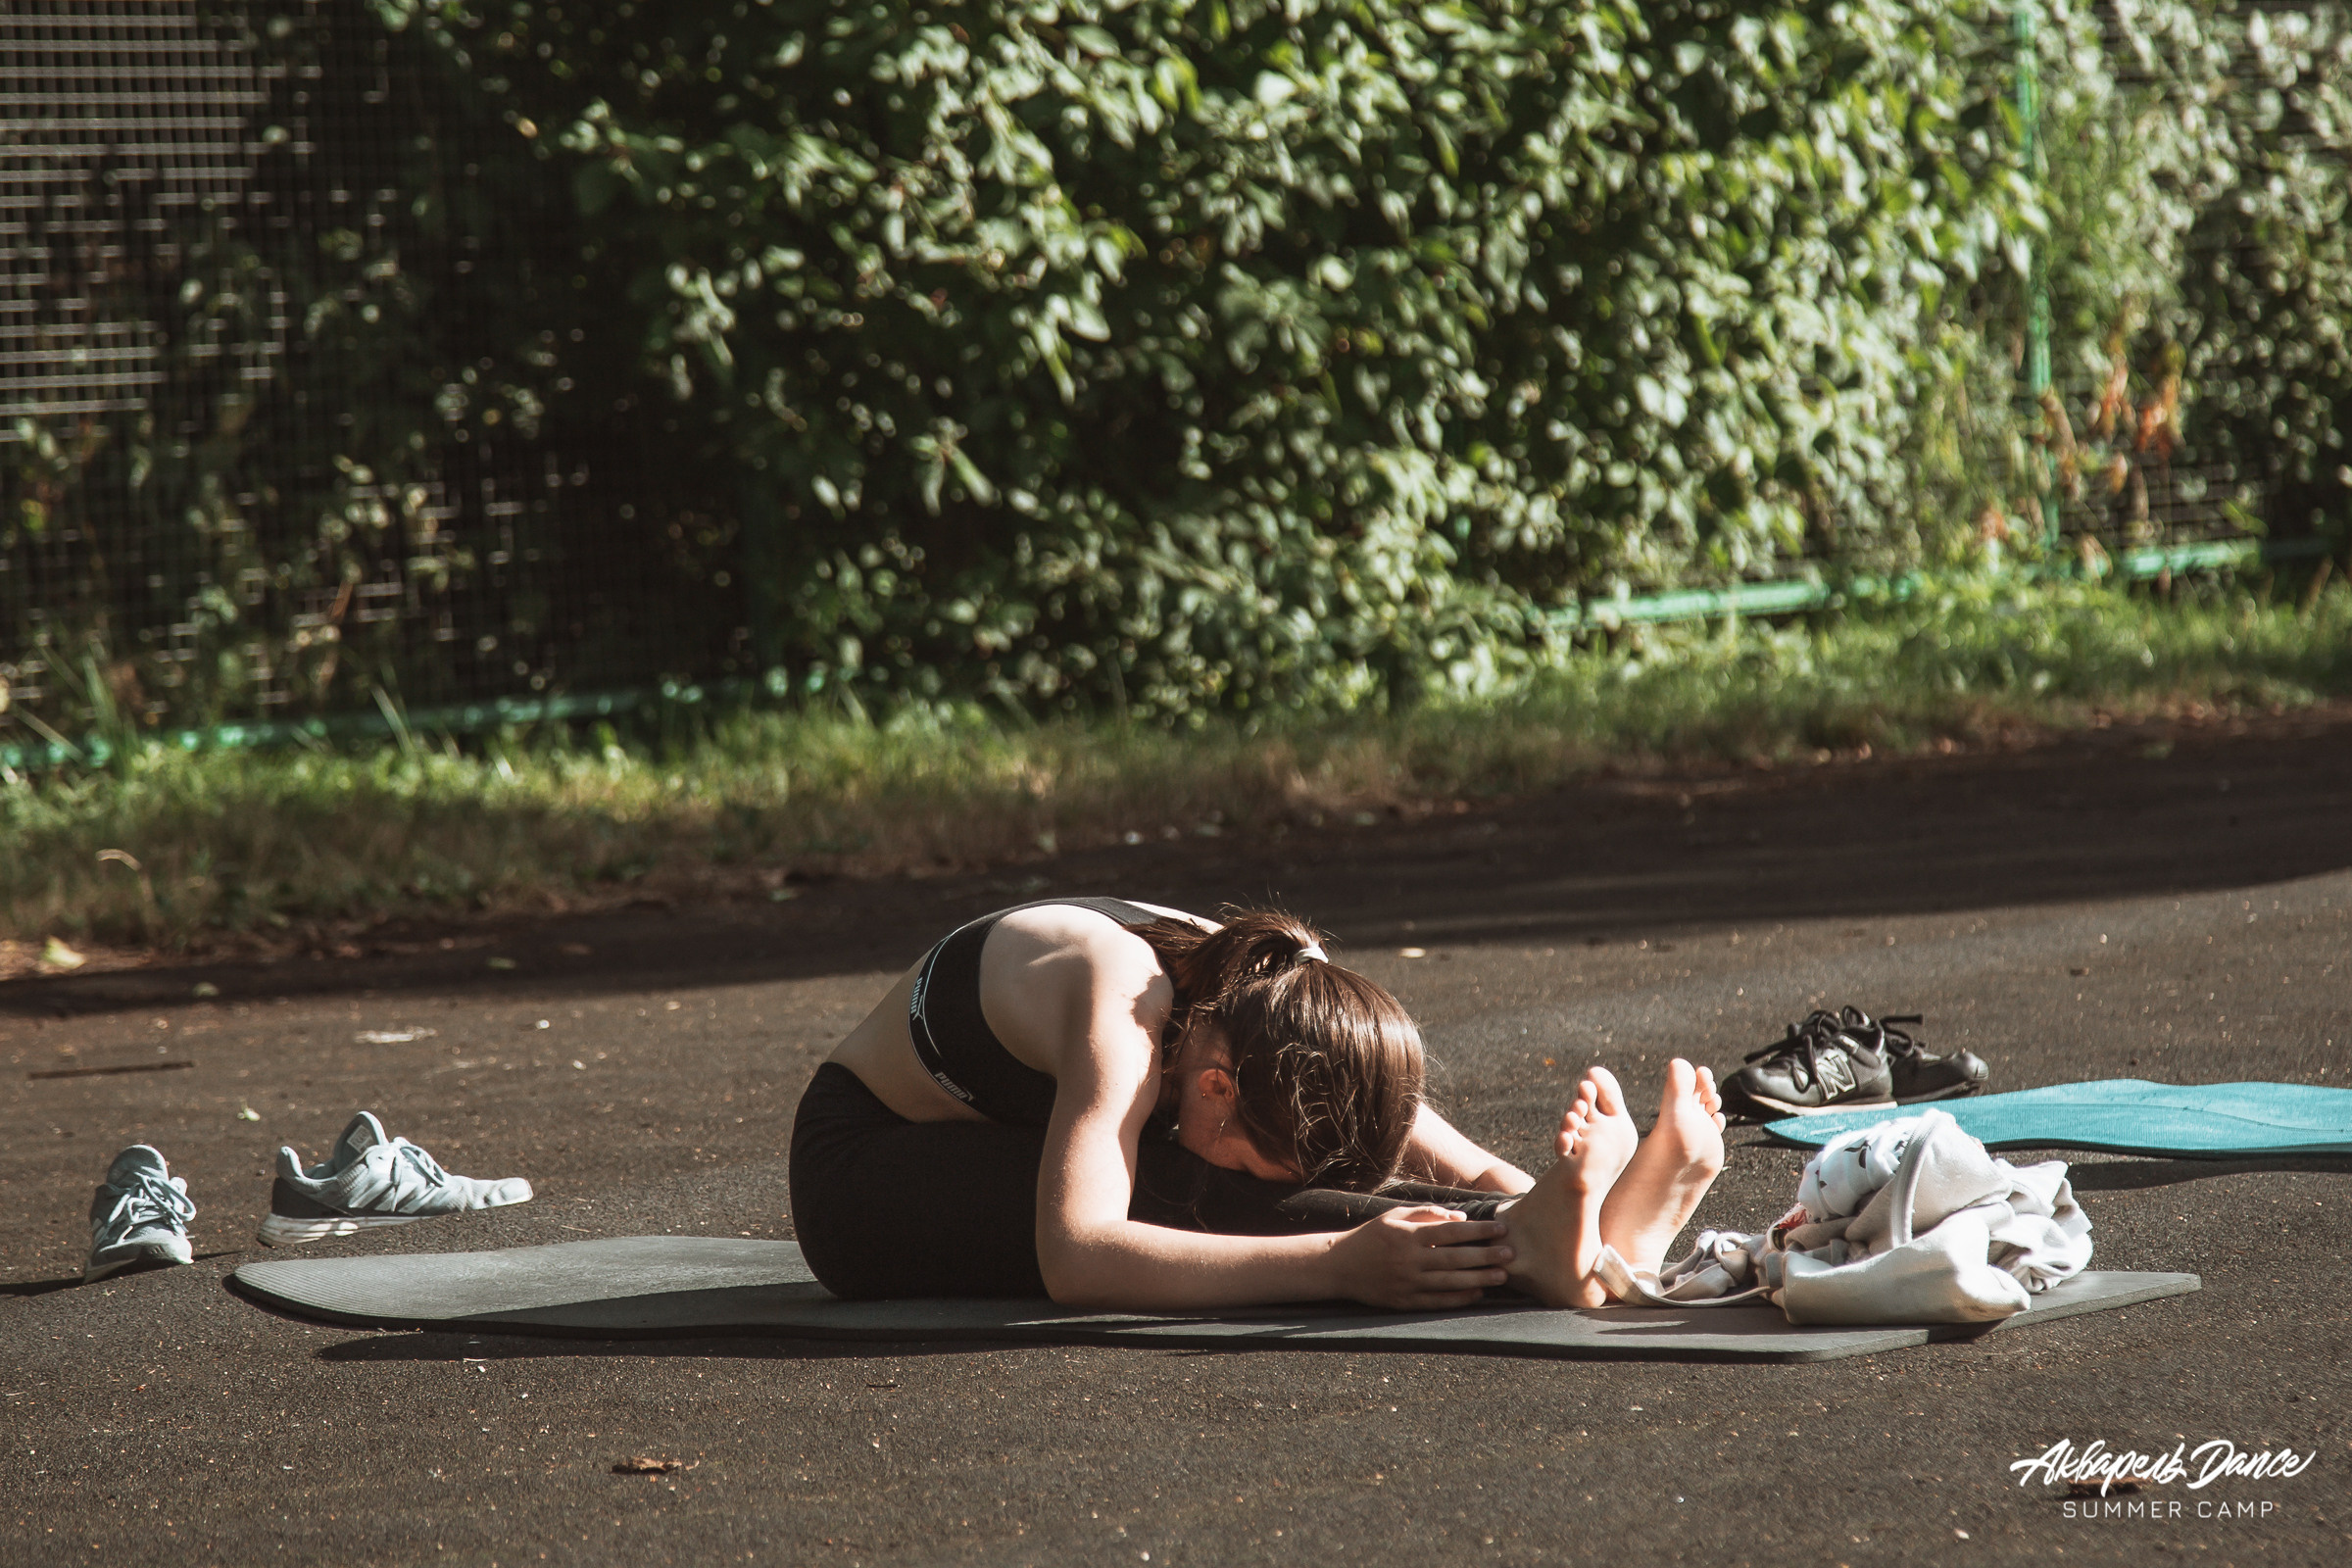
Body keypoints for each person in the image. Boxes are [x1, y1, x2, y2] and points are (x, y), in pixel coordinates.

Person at [788, 898, 1727, 1310]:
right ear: (1214, 1088)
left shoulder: (1282, 987)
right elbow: (1076, 1254)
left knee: (1223, 1179)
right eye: (1242, 1139)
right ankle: (1527, 1254)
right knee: (1184, 1188)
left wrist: (1571, 1204)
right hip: (865, 1174)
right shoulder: (1121, 1014)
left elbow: (1436, 1152)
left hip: (995, 1140)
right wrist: (1336, 1263)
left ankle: (1587, 1251)